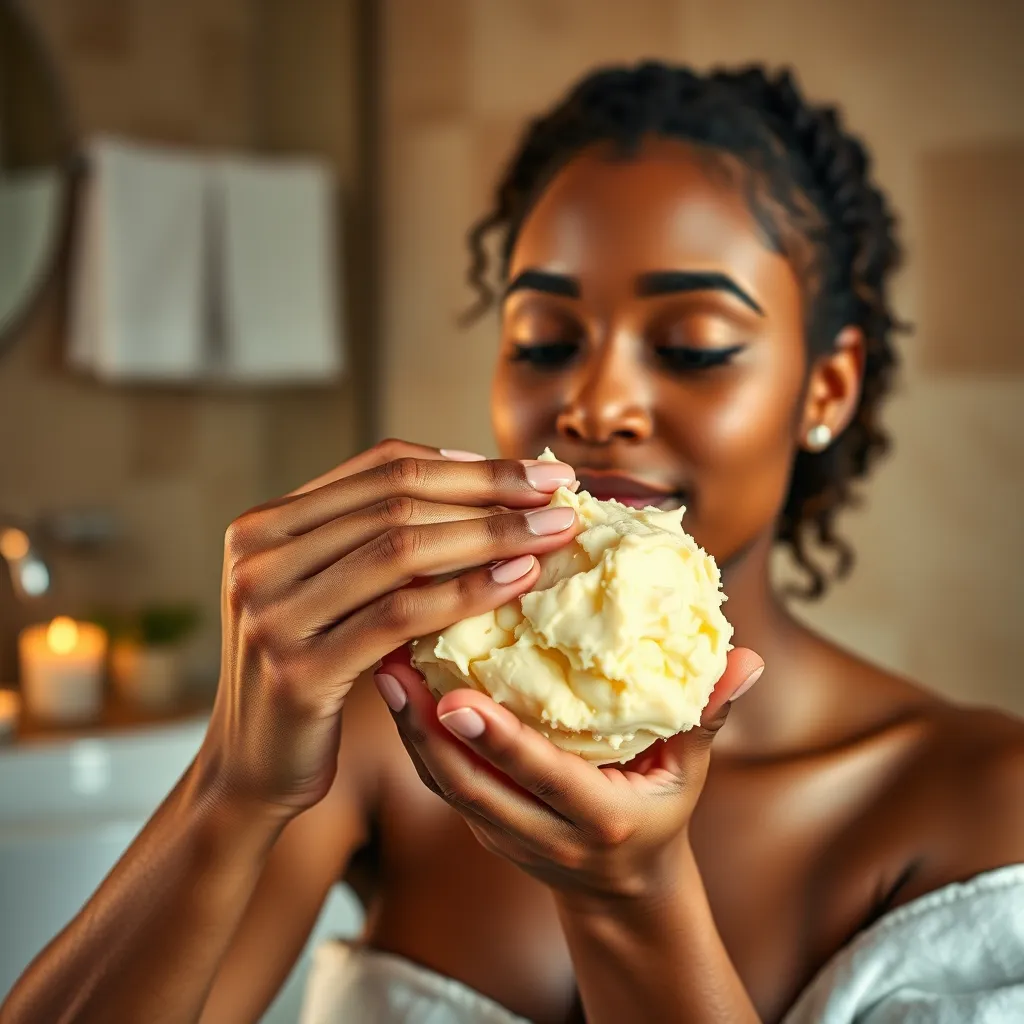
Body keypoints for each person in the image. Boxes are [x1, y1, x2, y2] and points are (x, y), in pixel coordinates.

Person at [3, 62, 1023, 1024]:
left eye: (690, 346)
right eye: (542, 339)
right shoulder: (392, 726)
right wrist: (230, 786)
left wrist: (630, 901)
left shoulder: (980, 800)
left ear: (827, 388)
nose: (593, 402)